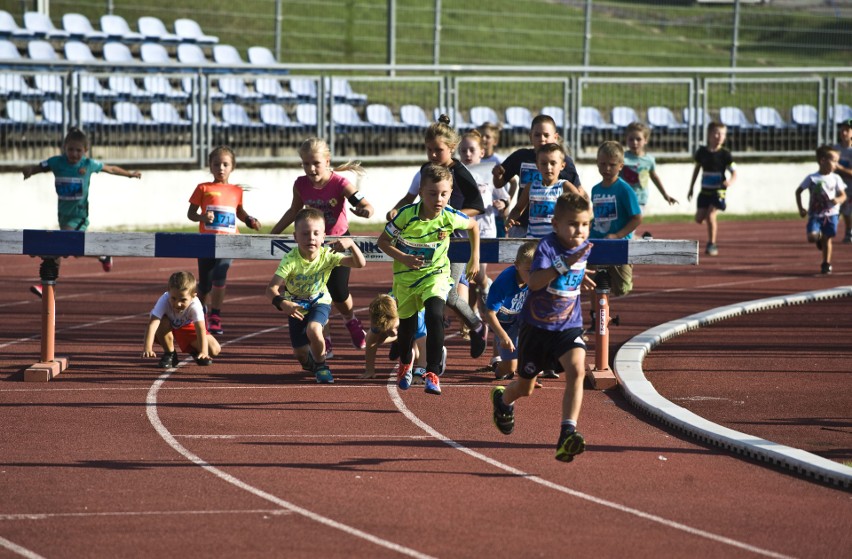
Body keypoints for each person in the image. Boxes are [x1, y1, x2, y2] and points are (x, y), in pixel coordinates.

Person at [489, 192, 595, 463]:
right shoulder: (547, 248)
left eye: (584, 224)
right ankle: (503, 401)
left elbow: (570, 275)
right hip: (536, 329)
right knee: (524, 388)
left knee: (577, 369)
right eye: (573, 224)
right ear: (556, 224)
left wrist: (580, 278)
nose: (579, 230)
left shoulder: (585, 247)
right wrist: (565, 265)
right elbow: (535, 282)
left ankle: (567, 433)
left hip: (568, 326)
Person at [386, 115, 489, 359]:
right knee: (410, 288)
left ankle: (477, 326)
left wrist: (449, 218)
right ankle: (405, 336)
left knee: (449, 295)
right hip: (424, 240)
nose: (432, 154)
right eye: (429, 149)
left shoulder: (459, 172)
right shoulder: (427, 170)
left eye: (438, 150)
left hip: (454, 240)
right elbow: (410, 198)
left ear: (452, 149)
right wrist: (396, 210)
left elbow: (477, 205)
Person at [377, 163, 481, 396]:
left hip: (436, 275)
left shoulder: (450, 217)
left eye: (444, 194)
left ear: (450, 194)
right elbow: (382, 242)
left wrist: (475, 258)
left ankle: (432, 372)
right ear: (421, 192)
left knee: (435, 314)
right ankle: (406, 362)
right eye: (432, 194)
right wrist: (404, 257)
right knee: (407, 329)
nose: (438, 199)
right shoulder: (406, 216)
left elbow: (473, 226)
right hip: (406, 279)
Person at [270, 138, 374, 353]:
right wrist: (273, 233)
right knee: (318, 291)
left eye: (316, 163)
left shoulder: (340, 183)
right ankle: (325, 339)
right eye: (306, 164)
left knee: (338, 291)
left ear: (327, 161)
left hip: (337, 241)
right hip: (314, 243)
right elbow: (294, 211)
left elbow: (364, 203)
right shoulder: (300, 184)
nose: (311, 168)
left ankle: (351, 320)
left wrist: (365, 211)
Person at [22, 127, 141, 297]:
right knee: (76, 251)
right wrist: (30, 171)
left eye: (78, 150)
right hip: (63, 215)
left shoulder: (88, 164)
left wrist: (129, 174)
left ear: (85, 151)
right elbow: (41, 167)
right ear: (64, 148)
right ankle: (103, 255)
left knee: (61, 244)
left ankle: (46, 286)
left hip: (79, 216)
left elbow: (111, 169)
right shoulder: (57, 162)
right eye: (70, 149)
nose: (74, 154)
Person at [266, 208, 366, 384]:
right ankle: (310, 364)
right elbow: (271, 289)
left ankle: (321, 366)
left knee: (314, 329)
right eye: (305, 234)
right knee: (300, 354)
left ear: (323, 237)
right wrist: (283, 303)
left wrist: (351, 244)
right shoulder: (290, 260)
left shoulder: (328, 255)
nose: (311, 238)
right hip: (295, 306)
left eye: (316, 233)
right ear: (295, 236)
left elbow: (360, 263)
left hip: (320, 301)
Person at [187, 146, 262, 336]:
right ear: (210, 167)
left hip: (229, 241)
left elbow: (239, 211)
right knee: (204, 285)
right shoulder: (203, 188)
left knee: (220, 278)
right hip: (207, 241)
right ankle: (200, 315)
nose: (221, 168)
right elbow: (191, 214)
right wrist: (203, 218)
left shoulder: (237, 190)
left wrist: (249, 220)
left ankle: (216, 316)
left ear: (232, 167)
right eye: (216, 164)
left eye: (225, 164)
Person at [493, 114, 581, 238]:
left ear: (555, 137)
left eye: (546, 135)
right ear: (530, 137)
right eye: (537, 135)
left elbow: (578, 193)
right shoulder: (520, 157)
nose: (542, 139)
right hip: (522, 225)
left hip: (553, 229)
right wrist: (497, 176)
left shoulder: (563, 161)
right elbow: (499, 183)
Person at [589, 141, 642, 298]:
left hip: (619, 243)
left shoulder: (624, 189)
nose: (606, 168)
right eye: (603, 164)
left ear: (621, 166)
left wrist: (618, 235)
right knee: (594, 283)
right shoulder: (595, 189)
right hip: (597, 241)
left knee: (621, 289)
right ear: (597, 163)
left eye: (612, 165)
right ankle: (595, 317)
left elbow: (637, 218)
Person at [482, 240, 537, 381]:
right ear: (517, 265)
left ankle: (529, 376)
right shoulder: (504, 283)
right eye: (529, 271)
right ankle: (498, 368)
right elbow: (489, 314)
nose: (534, 275)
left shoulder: (539, 278)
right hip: (504, 319)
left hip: (521, 316)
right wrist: (503, 337)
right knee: (509, 368)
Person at [142, 271, 220, 368]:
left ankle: (194, 350)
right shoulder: (164, 300)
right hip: (166, 328)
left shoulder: (195, 304)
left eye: (183, 300)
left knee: (214, 349)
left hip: (185, 327)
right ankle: (170, 354)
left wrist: (204, 352)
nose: (177, 304)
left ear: (193, 297)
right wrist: (148, 347)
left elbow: (200, 329)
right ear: (169, 292)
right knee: (161, 321)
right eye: (173, 298)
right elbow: (153, 324)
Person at [506, 142, 585, 239]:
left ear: (562, 166)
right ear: (537, 166)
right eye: (544, 163)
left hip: (555, 242)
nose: (548, 167)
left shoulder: (565, 186)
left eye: (553, 163)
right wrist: (510, 220)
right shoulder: (530, 187)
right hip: (532, 241)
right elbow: (518, 209)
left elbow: (582, 206)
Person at [361, 293, 447, 382]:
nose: (394, 332)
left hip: (419, 323)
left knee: (418, 355)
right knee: (369, 337)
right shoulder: (381, 316)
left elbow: (423, 346)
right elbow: (371, 342)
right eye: (388, 330)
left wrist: (419, 374)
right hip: (403, 323)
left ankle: (438, 352)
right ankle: (399, 342)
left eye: (395, 328)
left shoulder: (415, 317)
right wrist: (369, 370)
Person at [687, 121, 737, 256]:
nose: (719, 136)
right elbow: (696, 170)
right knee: (699, 219)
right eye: (716, 133)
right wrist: (691, 188)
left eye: (723, 134)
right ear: (709, 135)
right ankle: (710, 228)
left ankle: (712, 244)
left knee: (710, 216)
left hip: (718, 191)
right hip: (704, 191)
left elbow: (734, 173)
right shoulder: (702, 152)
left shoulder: (725, 154)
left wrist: (730, 182)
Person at [795, 145, 847, 275]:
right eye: (834, 161)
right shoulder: (812, 178)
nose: (836, 165)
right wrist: (801, 208)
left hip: (832, 214)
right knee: (812, 237)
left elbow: (843, 195)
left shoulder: (836, 178)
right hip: (815, 214)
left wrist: (838, 200)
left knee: (827, 239)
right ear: (823, 160)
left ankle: (826, 263)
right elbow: (798, 191)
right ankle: (817, 238)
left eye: (837, 161)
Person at [621, 122, 677, 215]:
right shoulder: (622, 158)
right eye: (631, 139)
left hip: (640, 199)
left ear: (645, 140)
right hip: (623, 198)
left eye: (638, 139)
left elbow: (654, 177)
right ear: (626, 140)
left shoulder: (649, 160)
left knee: (632, 224)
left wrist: (665, 194)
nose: (634, 142)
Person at [832, 119, 852, 243]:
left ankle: (849, 230)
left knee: (847, 210)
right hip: (837, 186)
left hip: (850, 185)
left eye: (847, 130)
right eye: (842, 129)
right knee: (838, 210)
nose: (844, 132)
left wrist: (839, 167)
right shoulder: (835, 148)